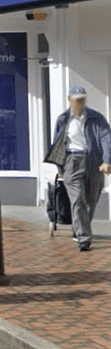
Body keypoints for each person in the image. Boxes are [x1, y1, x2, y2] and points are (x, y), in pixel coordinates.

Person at [48, 85, 111, 251]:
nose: (80, 103)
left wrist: (107, 160)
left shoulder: (96, 118)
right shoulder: (63, 119)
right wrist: (60, 167)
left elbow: (106, 139)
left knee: (91, 201)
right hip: (72, 161)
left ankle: (78, 229)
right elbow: (57, 142)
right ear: (69, 100)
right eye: (77, 100)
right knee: (78, 200)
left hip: (93, 162)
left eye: (82, 99)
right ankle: (84, 238)